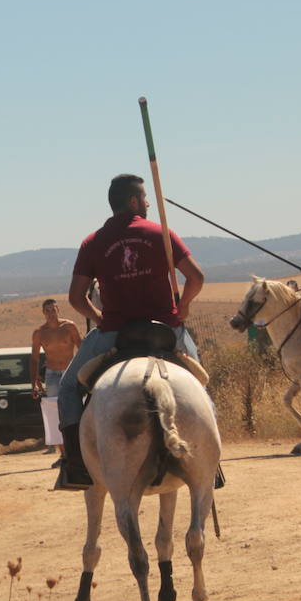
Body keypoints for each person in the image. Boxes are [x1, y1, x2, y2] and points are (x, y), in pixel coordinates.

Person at [56, 173, 204, 489]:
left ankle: (76, 464)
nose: (149, 203)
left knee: (68, 389)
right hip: (165, 329)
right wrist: (184, 308)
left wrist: (98, 318)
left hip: (115, 333)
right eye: (145, 198)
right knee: (201, 382)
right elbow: (196, 278)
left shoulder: (93, 242)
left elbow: (74, 297)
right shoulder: (160, 233)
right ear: (134, 201)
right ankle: (209, 462)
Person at [29, 298, 82, 465]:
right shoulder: (40, 333)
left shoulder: (69, 327)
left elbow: (82, 349)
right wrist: (34, 381)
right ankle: (64, 455)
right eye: (47, 311)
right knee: (54, 413)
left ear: (58, 310)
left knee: (76, 408)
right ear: (43, 313)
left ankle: (80, 451)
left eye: (53, 310)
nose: (51, 314)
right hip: (51, 375)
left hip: (70, 372)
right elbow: (34, 359)